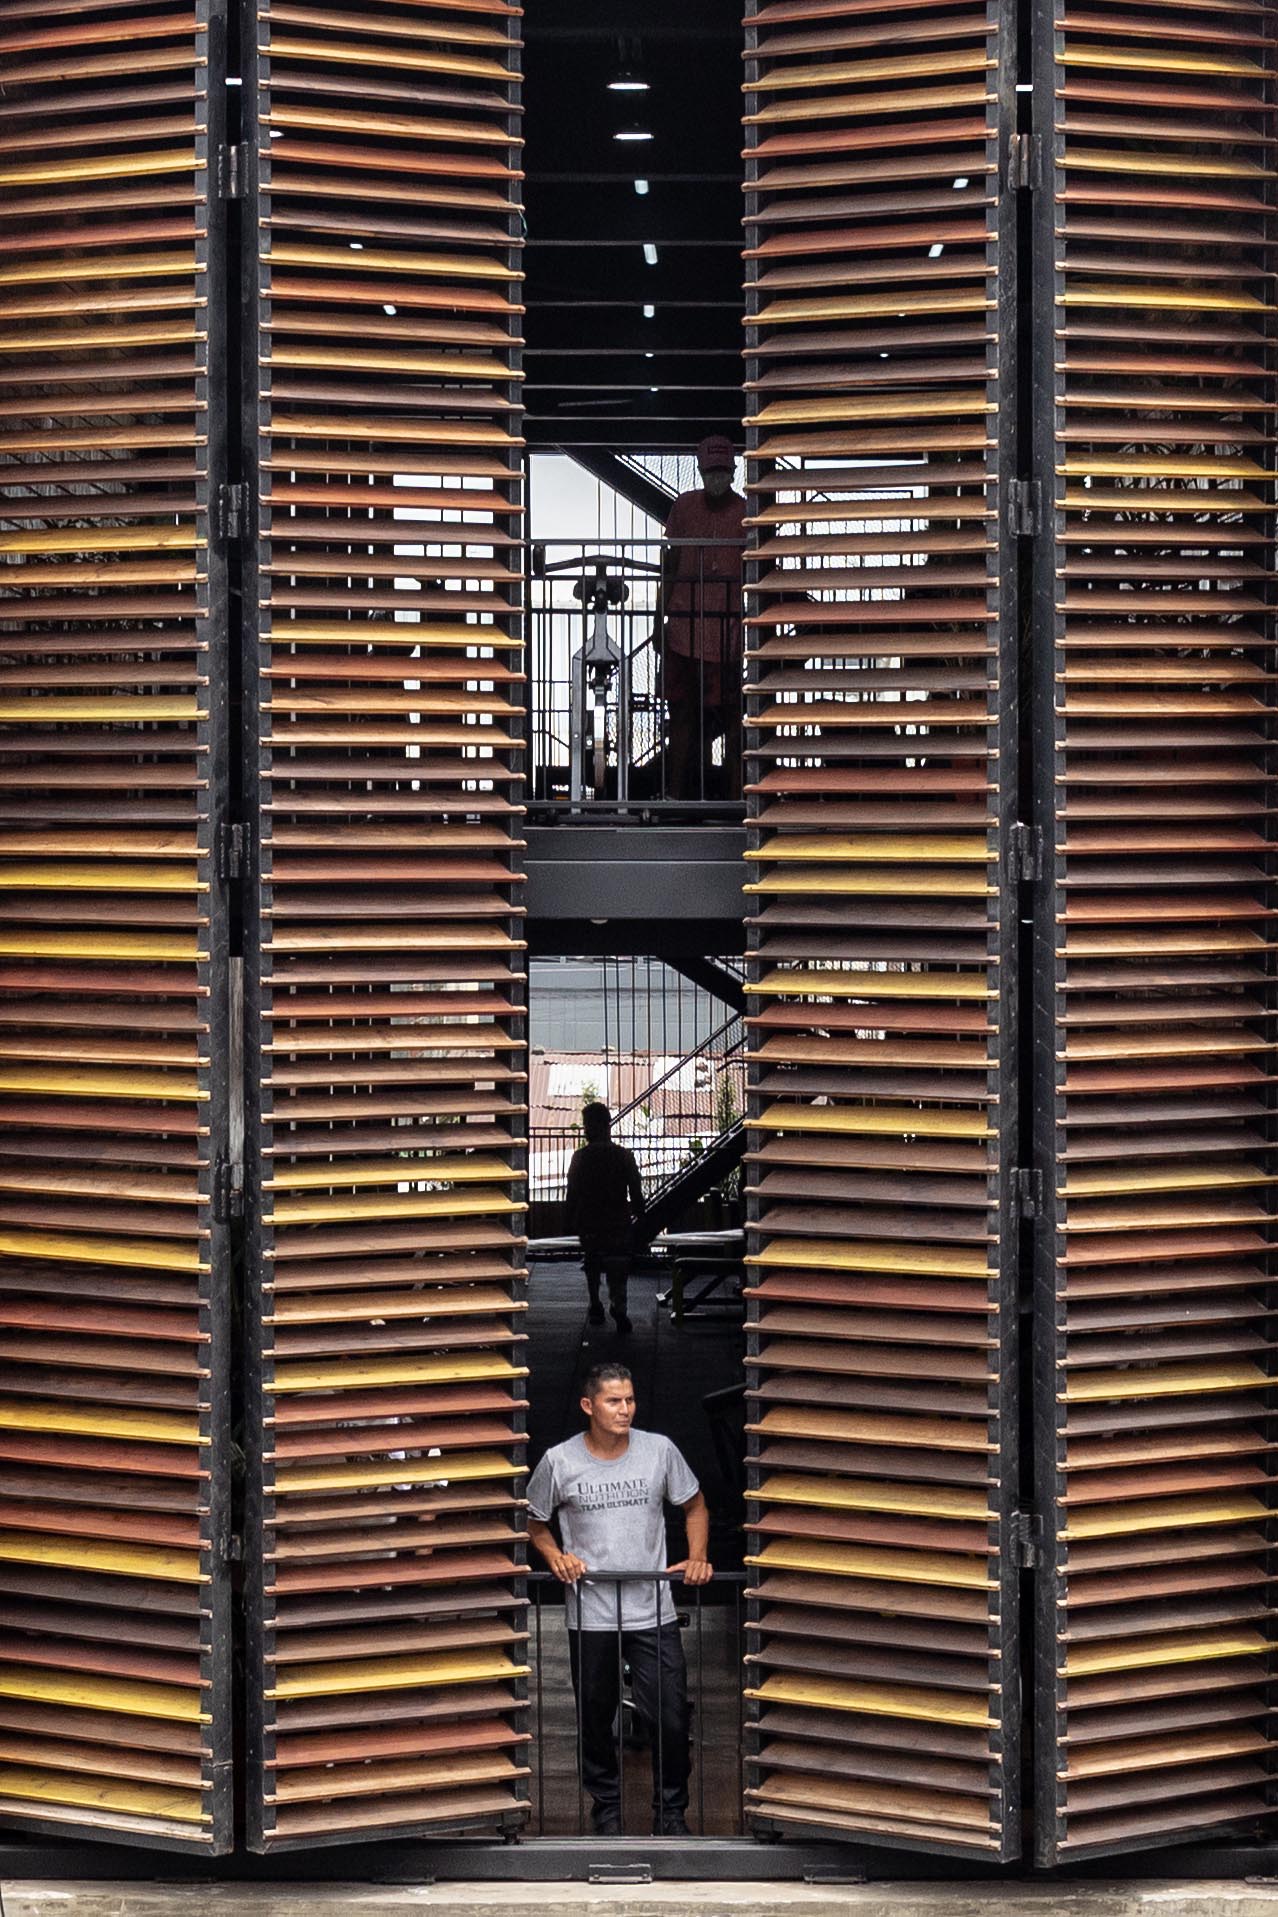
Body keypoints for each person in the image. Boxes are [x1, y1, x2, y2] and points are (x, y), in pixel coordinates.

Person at [526, 1363, 713, 1836]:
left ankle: (671, 1813)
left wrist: (698, 1557)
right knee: (594, 1720)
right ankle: (605, 1806)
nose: (625, 1409)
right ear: (588, 1406)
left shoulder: (659, 1450)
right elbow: (534, 1521)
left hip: (653, 1610)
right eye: (614, 1401)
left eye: (629, 1400)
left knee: (670, 1716)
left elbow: (694, 1505)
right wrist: (555, 1557)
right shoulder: (559, 1461)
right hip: (591, 1614)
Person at [652, 434, 747, 800]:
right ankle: (678, 795)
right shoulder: (684, 508)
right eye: (712, 471)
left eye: (723, 471)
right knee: (684, 718)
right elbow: (671, 565)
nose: (718, 478)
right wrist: (659, 619)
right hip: (686, 630)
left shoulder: (745, 513)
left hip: (728, 635)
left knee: (732, 721)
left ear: (733, 472)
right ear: (701, 471)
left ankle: (735, 797)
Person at [564, 1101, 644, 1334]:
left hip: (589, 1220)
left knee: (592, 1262)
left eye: (588, 1124)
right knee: (618, 1265)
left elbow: (572, 1194)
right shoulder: (624, 1156)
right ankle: (619, 1306)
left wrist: (568, 1221)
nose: (586, 1129)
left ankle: (595, 1303)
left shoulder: (580, 1158)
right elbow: (636, 1192)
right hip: (618, 1220)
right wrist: (641, 1216)